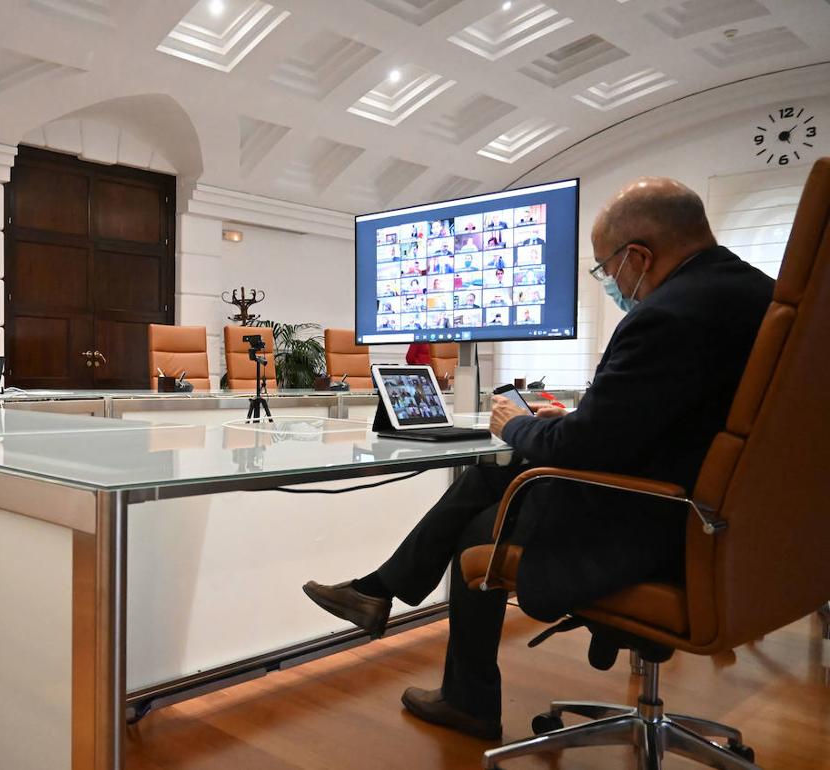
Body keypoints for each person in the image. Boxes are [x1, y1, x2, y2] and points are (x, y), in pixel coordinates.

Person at [301, 177, 773, 741]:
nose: (612, 285)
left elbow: (584, 448)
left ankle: (453, 681)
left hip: (655, 526)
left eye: (606, 269)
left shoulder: (668, 314)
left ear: (639, 256)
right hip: (725, 523)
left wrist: (517, 424)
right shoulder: (759, 295)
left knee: (484, 523)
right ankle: (382, 594)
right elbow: (661, 421)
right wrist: (560, 426)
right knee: (496, 476)